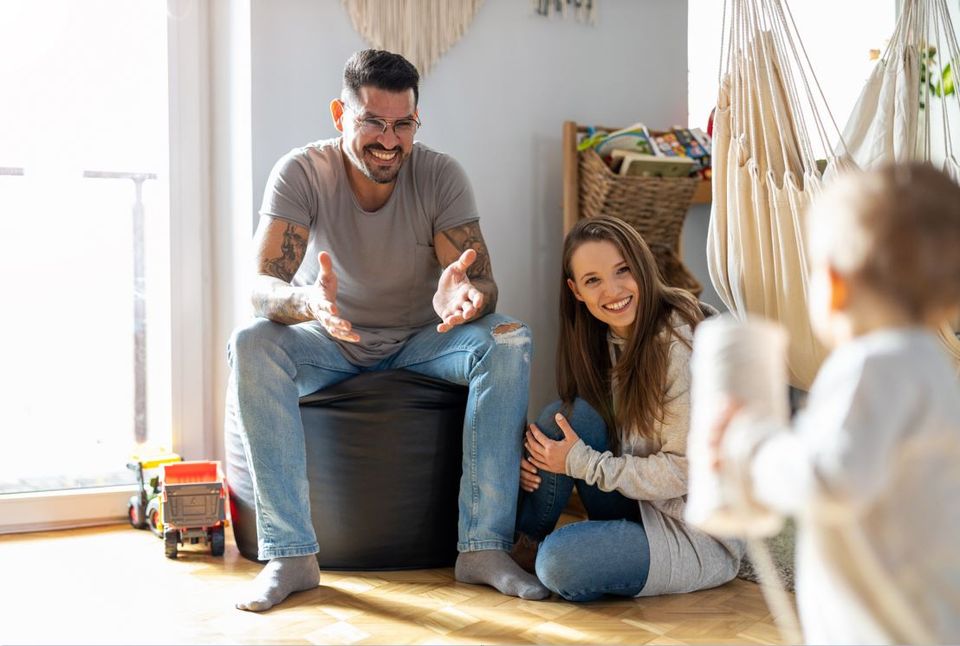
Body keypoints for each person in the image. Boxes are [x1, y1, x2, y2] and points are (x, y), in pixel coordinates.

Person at [227, 49, 548, 612]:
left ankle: (483, 549)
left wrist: (469, 298)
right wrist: (305, 301)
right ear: (339, 114)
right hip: (331, 339)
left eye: (404, 124)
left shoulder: (441, 175)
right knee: (251, 343)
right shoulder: (301, 172)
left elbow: (488, 285)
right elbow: (261, 286)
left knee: (509, 337)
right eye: (372, 122)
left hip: (423, 341)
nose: (389, 140)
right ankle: (291, 554)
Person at [708, 162, 960, 643]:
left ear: (836, 285)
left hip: (881, 626)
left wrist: (754, 446)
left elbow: (831, 478)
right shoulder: (932, 365)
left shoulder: (873, 365)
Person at [512, 215, 743, 601]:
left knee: (559, 563)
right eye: (593, 280)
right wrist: (537, 459)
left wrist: (578, 463)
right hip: (637, 501)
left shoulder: (678, 344)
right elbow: (583, 434)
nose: (613, 290)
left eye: (623, 270)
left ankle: (550, 552)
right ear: (576, 291)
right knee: (562, 417)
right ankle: (524, 545)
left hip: (690, 531)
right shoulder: (602, 338)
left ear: (642, 264)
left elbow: (683, 473)